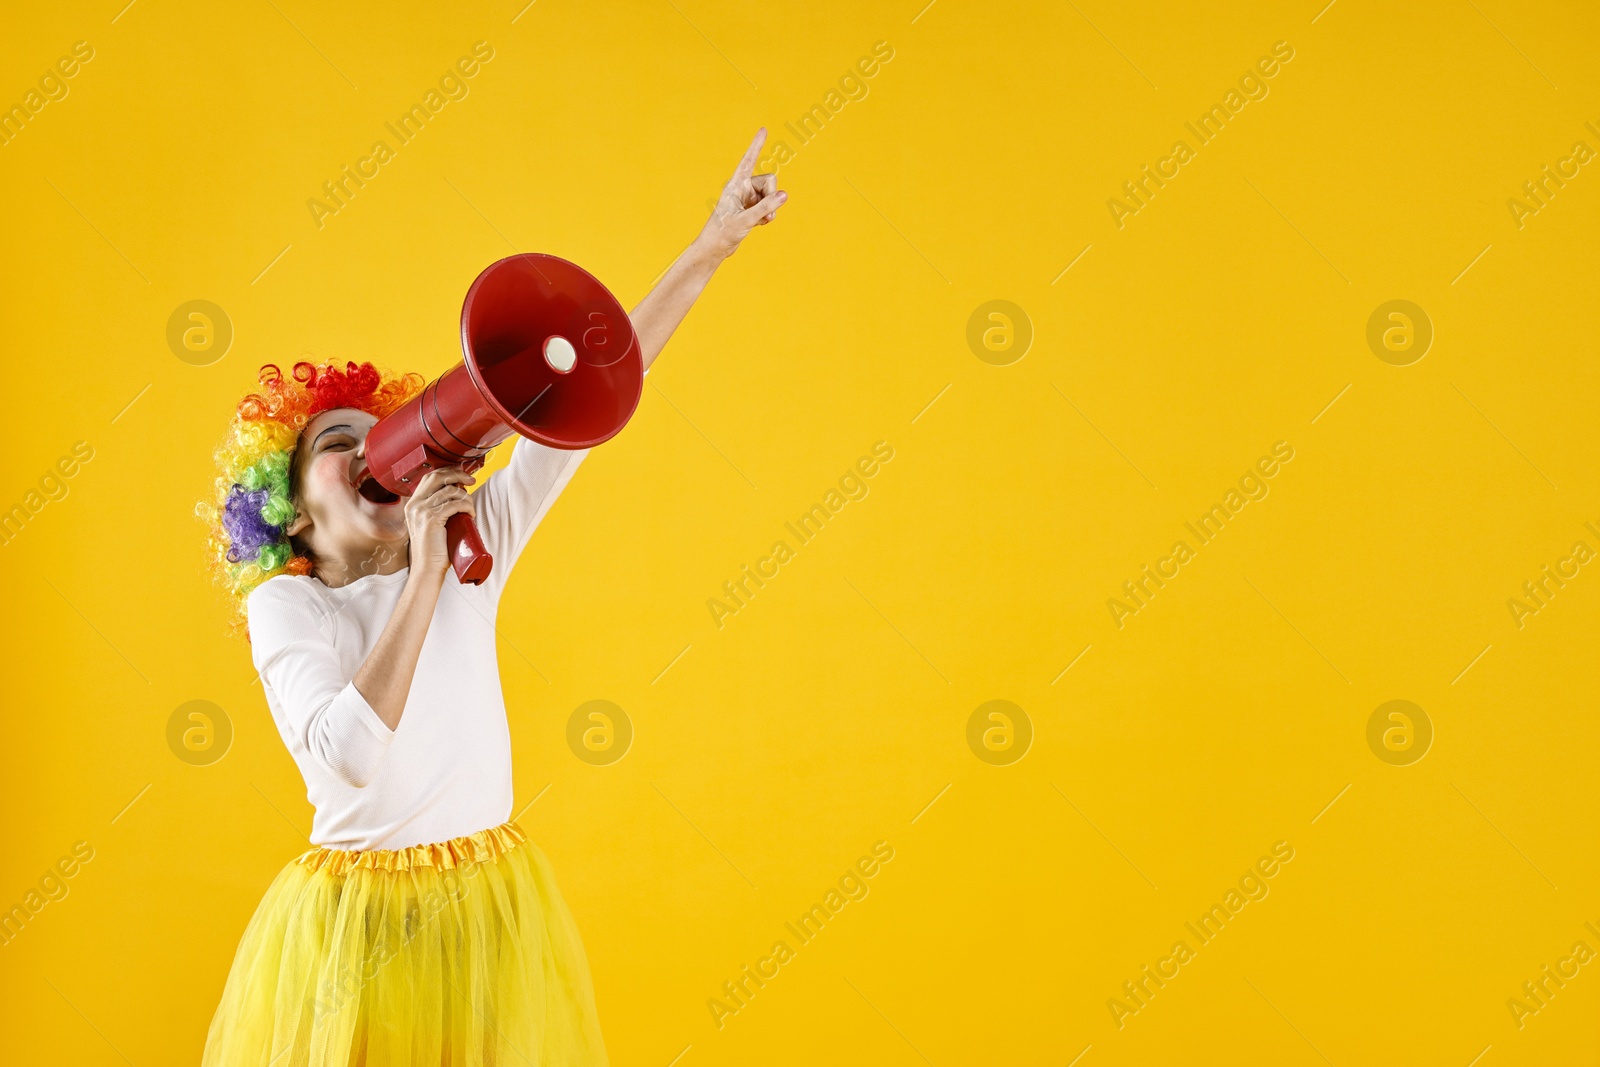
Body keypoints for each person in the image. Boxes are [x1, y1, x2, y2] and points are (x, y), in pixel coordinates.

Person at [197, 130, 786, 1065]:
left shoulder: (473, 548)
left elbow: (588, 396)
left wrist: (709, 246)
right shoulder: (290, 605)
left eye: (377, 432)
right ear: (294, 519)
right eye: (336, 448)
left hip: (484, 902)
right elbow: (347, 756)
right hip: (355, 926)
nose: (367, 451)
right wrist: (424, 572)